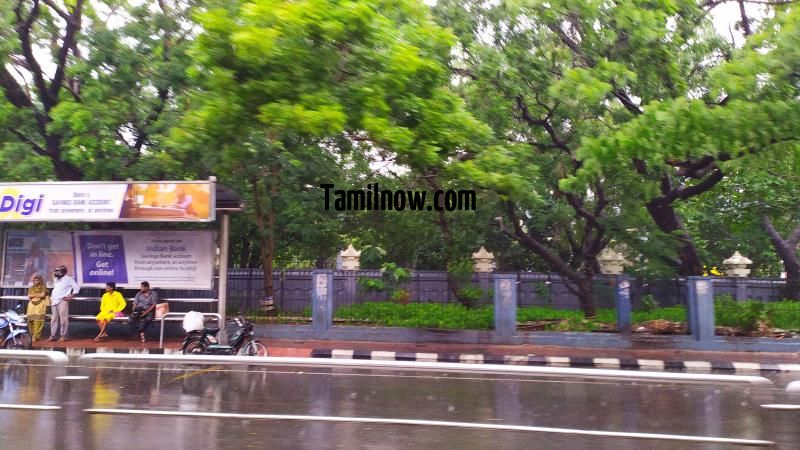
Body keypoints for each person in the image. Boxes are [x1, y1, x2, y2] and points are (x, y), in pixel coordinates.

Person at [48, 265, 79, 342]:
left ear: (63, 272)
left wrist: (70, 297)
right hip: (54, 300)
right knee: (54, 319)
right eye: (56, 271)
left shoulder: (68, 279)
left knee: (63, 319)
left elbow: (76, 288)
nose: (57, 272)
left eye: (58, 271)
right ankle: (53, 336)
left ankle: (63, 336)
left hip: (62, 300)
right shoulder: (56, 279)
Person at [26, 275, 49, 341]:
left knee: (38, 321)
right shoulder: (31, 288)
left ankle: (35, 336)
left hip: (40, 306)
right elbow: (29, 295)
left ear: (40, 280)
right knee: (30, 321)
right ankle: (32, 335)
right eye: (34, 280)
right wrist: (38, 295)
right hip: (31, 306)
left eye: (37, 280)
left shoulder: (43, 287)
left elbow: (43, 295)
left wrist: (34, 295)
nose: (36, 281)